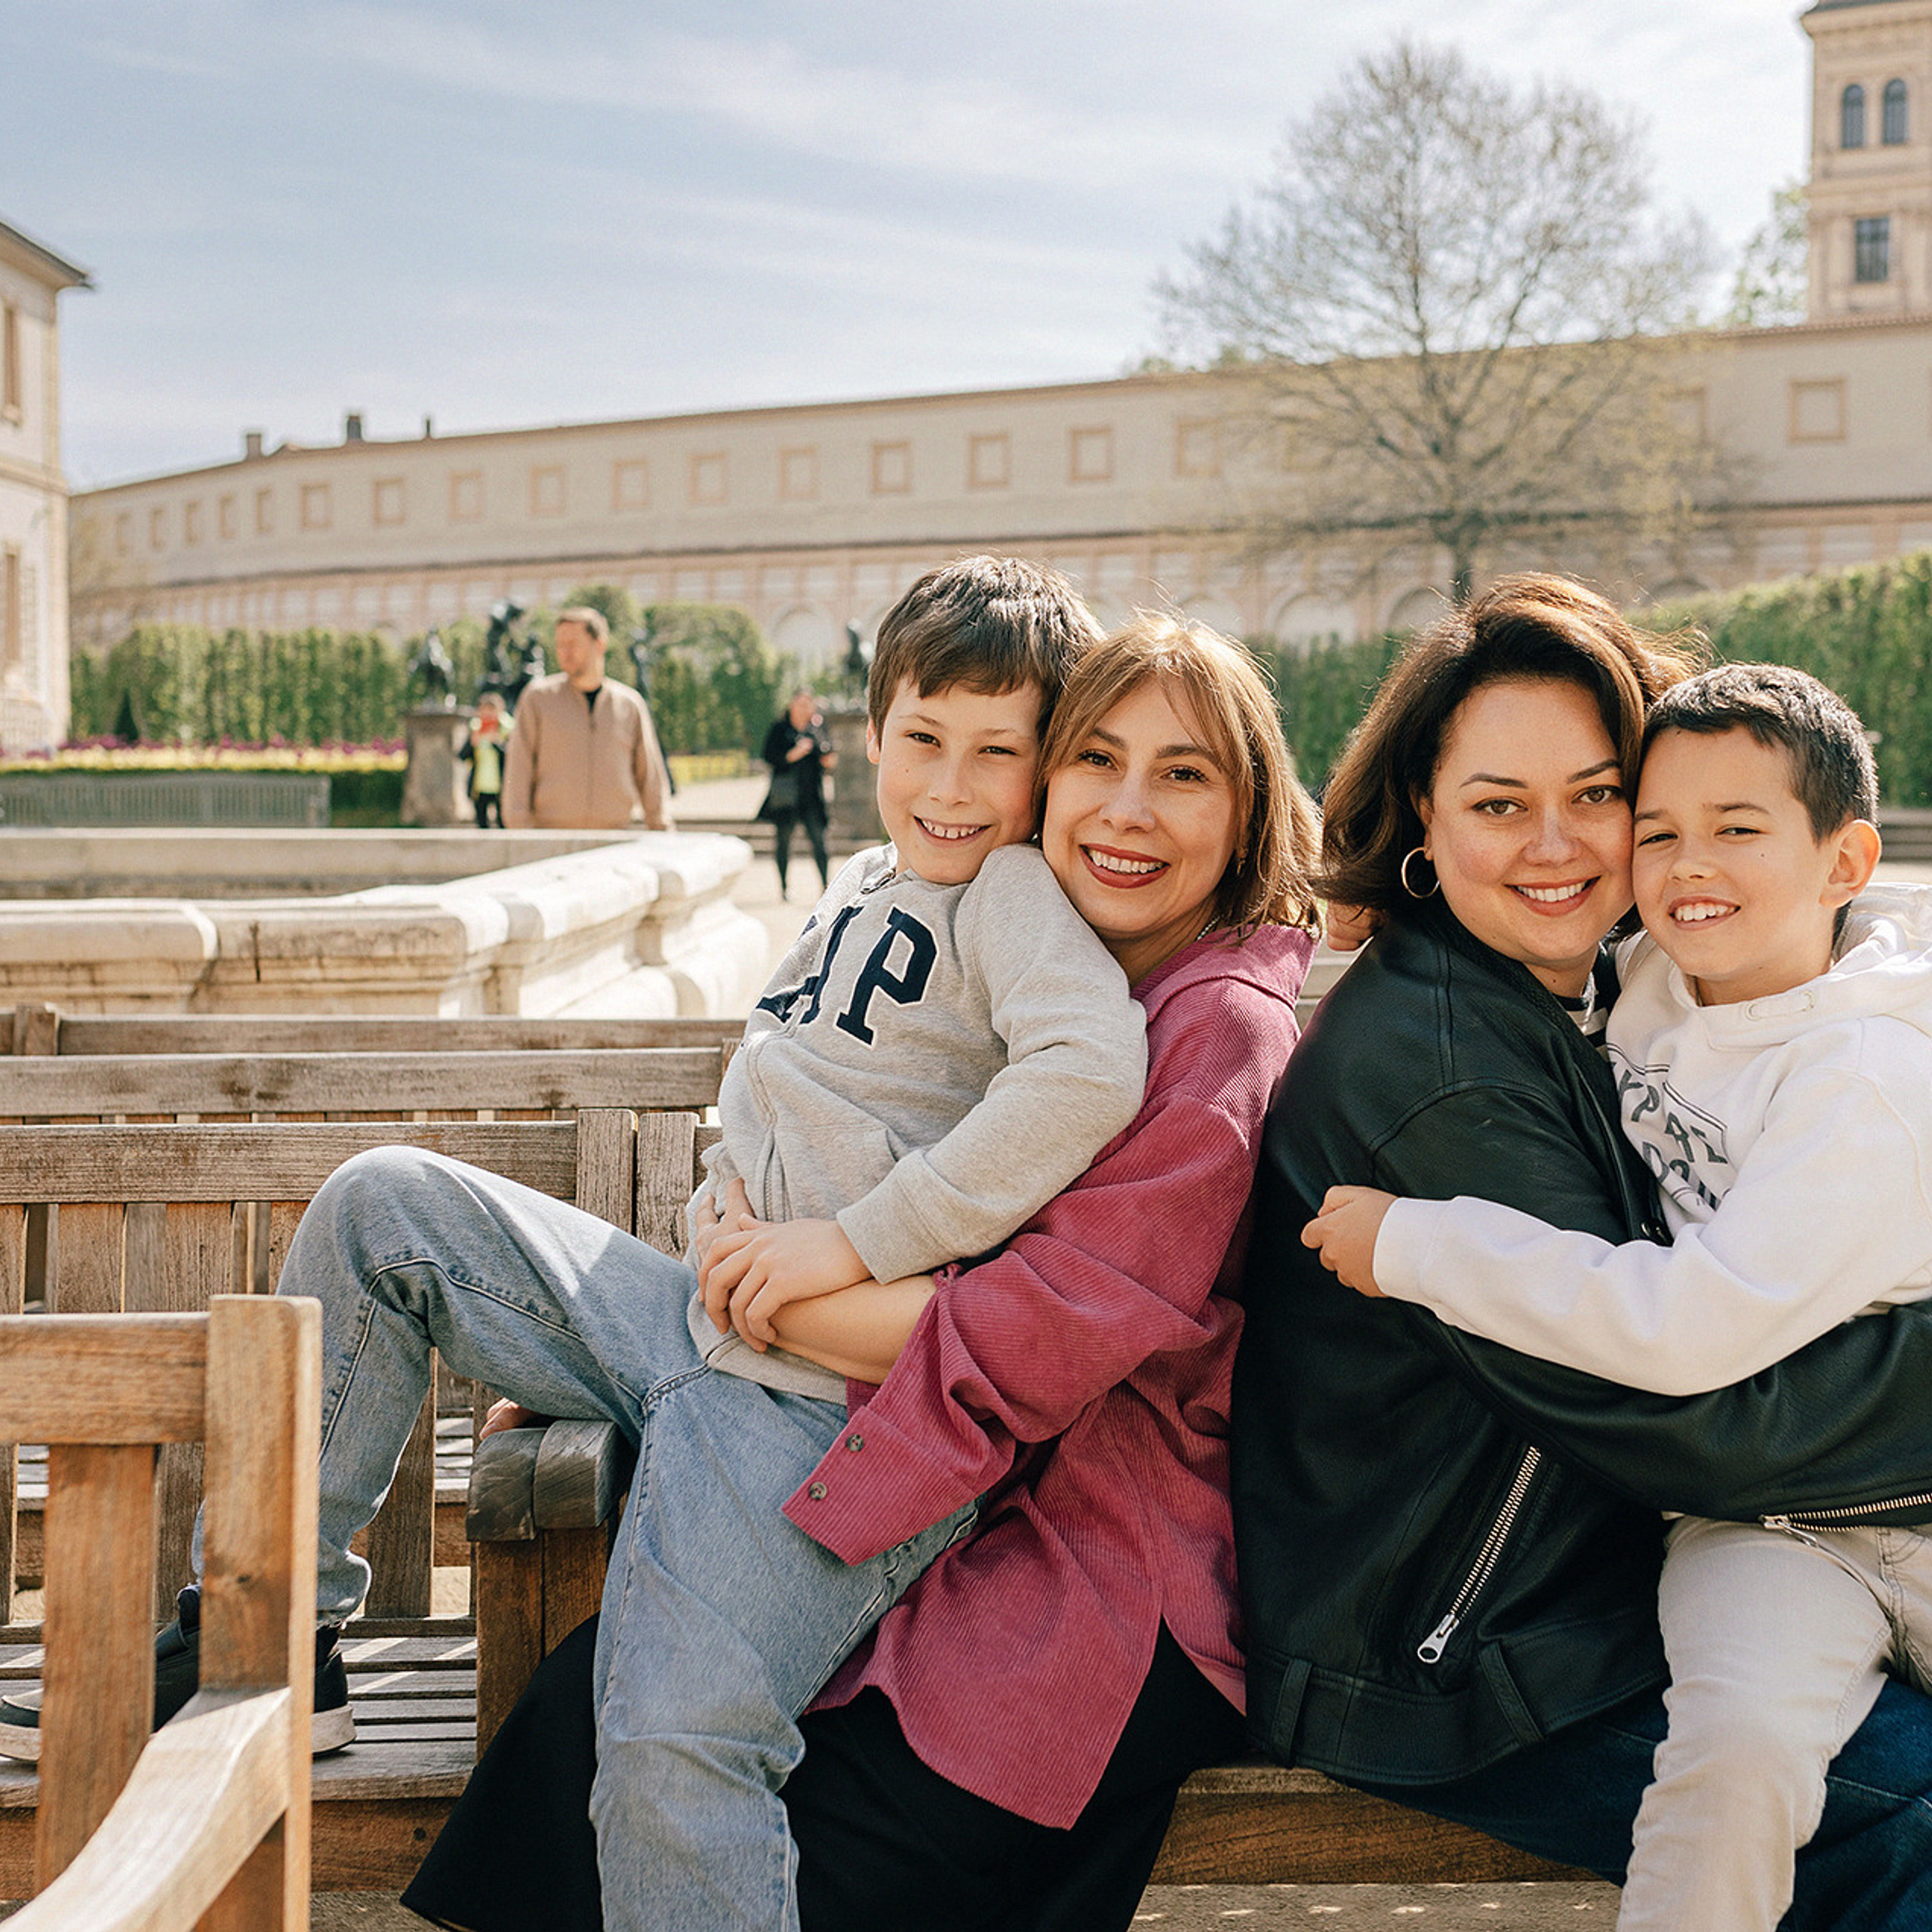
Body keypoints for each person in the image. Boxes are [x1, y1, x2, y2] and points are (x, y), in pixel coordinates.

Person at [0, 557, 1155, 1932]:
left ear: (1044, 769)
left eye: (996, 753)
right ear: (870, 730)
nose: (953, 786)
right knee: (386, 1206)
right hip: (689, 1320)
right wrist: (712, 1216)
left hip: (825, 1414)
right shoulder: (860, 877)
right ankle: (277, 1638)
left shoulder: (1012, 899)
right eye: (923, 740)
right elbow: (795, 1086)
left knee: (676, 1754)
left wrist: (853, 1242)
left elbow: (1088, 1075)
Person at [400, 611, 1324, 1932]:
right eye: (1096, 760)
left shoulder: (1215, 1026)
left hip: (1101, 1570)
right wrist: (644, 1360)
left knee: (715, 1770)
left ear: (1247, 812)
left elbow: (1048, 1335)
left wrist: (783, 1297)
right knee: (595, 1716)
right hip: (952, 1473)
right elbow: (814, 1122)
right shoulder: (1049, 967)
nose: (1126, 808)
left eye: (1183, 774)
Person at [1232, 576, 1932, 1927]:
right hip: (1463, 1659)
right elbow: (1689, 1406)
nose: (1558, 844)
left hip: (1611, 1574)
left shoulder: (1614, 986)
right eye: (1498, 805)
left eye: (1600, 795)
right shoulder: (1445, 1080)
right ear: (1424, 824)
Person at [500, 606, 675, 830]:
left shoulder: (629, 704)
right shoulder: (537, 699)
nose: (564, 652)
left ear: (599, 644)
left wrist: (662, 829)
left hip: (614, 842)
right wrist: (519, 832)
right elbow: (518, 769)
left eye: (573, 644)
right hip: (551, 840)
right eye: (560, 645)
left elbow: (650, 774)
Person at [760, 688, 836, 899]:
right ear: (792, 704)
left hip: (812, 797)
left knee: (820, 844)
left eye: (808, 704)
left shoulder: (818, 728)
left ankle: (825, 887)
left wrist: (822, 749)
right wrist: (793, 754)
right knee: (783, 843)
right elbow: (768, 756)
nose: (804, 708)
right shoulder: (779, 728)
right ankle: (784, 888)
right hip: (786, 799)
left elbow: (830, 759)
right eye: (800, 704)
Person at [460, 690, 510, 828]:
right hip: (480, 786)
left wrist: (495, 742)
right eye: (484, 712)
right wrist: (473, 743)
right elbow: (462, 756)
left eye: (491, 712)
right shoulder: (476, 729)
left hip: (502, 785)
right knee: (482, 824)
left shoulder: (508, 730)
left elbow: (512, 758)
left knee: (503, 823)